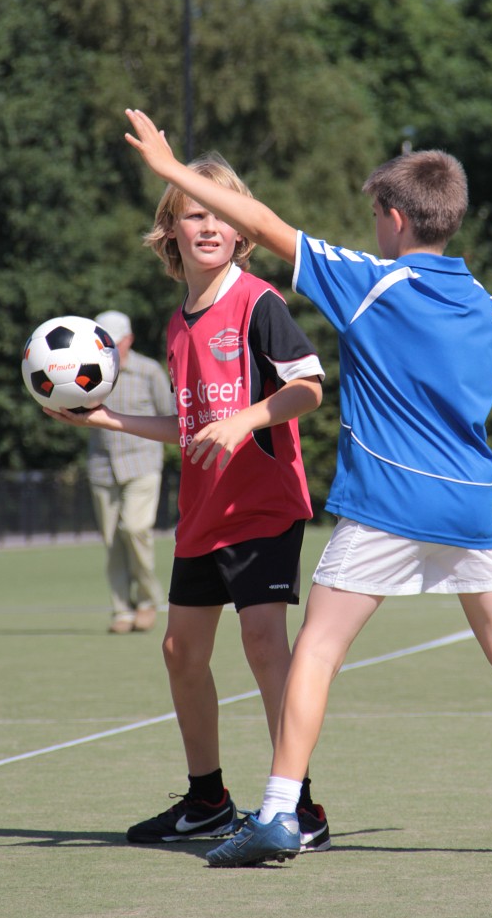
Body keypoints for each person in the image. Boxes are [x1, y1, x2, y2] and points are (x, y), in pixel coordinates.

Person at [122, 107, 492, 868]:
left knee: (314, 652)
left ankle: (280, 814)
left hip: (387, 507)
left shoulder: (372, 284)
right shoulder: (484, 305)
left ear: (394, 219)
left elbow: (264, 225)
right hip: (467, 510)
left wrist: (173, 172)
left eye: (375, 217)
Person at [45, 153, 331, 853]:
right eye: (192, 214)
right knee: (180, 651)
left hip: (263, 504)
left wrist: (246, 419)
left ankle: (299, 806)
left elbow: (309, 386)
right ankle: (207, 801)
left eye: (220, 215)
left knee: (263, 642)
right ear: (169, 231)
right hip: (204, 512)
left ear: (241, 231)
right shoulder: (177, 326)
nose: (208, 226)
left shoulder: (258, 302)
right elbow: (188, 425)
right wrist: (108, 419)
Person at [87, 310, 173, 635]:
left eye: (113, 340)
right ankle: (122, 609)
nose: (107, 347)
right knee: (112, 541)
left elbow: (170, 415)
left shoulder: (149, 371)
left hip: (142, 463)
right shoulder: (85, 368)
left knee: (135, 529)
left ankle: (148, 601)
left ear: (129, 340)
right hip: (102, 466)